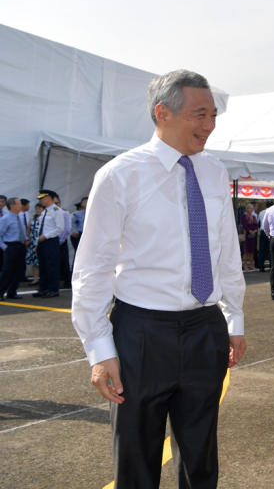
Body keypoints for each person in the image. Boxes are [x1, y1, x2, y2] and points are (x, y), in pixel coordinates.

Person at [71, 69, 246, 489]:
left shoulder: (214, 171)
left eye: (214, 115)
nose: (210, 126)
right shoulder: (120, 175)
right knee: (136, 458)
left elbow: (226, 251)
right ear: (162, 113)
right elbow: (93, 266)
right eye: (199, 115)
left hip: (205, 328)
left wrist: (234, 319)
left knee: (201, 459)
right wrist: (99, 349)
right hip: (141, 332)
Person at [34, 189, 64, 297]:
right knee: (43, 266)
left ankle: (53, 289)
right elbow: (40, 228)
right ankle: (43, 288)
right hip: (42, 242)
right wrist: (37, 243)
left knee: (51, 265)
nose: (41, 200)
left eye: (42, 198)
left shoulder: (56, 210)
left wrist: (45, 236)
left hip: (50, 241)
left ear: (49, 198)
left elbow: (60, 228)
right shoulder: (44, 211)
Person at [0, 196, 27, 299]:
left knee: (19, 270)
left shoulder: (19, 217)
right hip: (11, 246)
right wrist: (4, 247)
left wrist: (26, 239)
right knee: (7, 270)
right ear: (12, 206)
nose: (21, 205)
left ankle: (12, 291)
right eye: (19, 203)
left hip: (20, 245)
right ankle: (1, 291)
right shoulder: (5, 219)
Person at [54, 195, 72, 289]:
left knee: (64, 261)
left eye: (57, 203)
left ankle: (67, 281)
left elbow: (67, 229)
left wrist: (61, 240)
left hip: (61, 241)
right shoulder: (52, 213)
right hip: (53, 241)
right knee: (55, 262)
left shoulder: (64, 213)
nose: (55, 205)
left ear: (60, 204)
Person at [26, 203, 42, 284]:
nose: (38, 210)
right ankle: (35, 278)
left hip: (40, 241)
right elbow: (28, 229)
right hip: (32, 242)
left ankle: (42, 278)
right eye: (37, 208)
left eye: (39, 208)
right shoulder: (32, 219)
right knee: (34, 262)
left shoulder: (44, 218)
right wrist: (27, 238)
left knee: (41, 261)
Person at [240, 203, 259, 270]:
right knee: (246, 251)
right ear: (247, 209)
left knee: (252, 251)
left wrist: (255, 231)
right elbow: (244, 225)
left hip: (253, 235)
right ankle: (245, 265)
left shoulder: (253, 216)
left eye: (251, 208)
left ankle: (251, 265)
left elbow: (256, 225)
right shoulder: (244, 216)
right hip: (247, 235)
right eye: (250, 208)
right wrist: (250, 231)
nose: (251, 209)